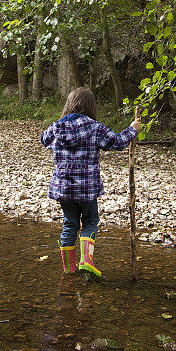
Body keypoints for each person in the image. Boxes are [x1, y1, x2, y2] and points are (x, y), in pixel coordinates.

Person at [41, 87, 142, 279]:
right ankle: (86, 260)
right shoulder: (95, 128)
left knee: (70, 224)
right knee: (90, 221)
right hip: (86, 188)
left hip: (64, 188)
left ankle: (69, 268)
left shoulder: (56, 127)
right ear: (91, 106)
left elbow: (43, 140)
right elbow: (118, 142)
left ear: (68, 105)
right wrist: (133, 129)